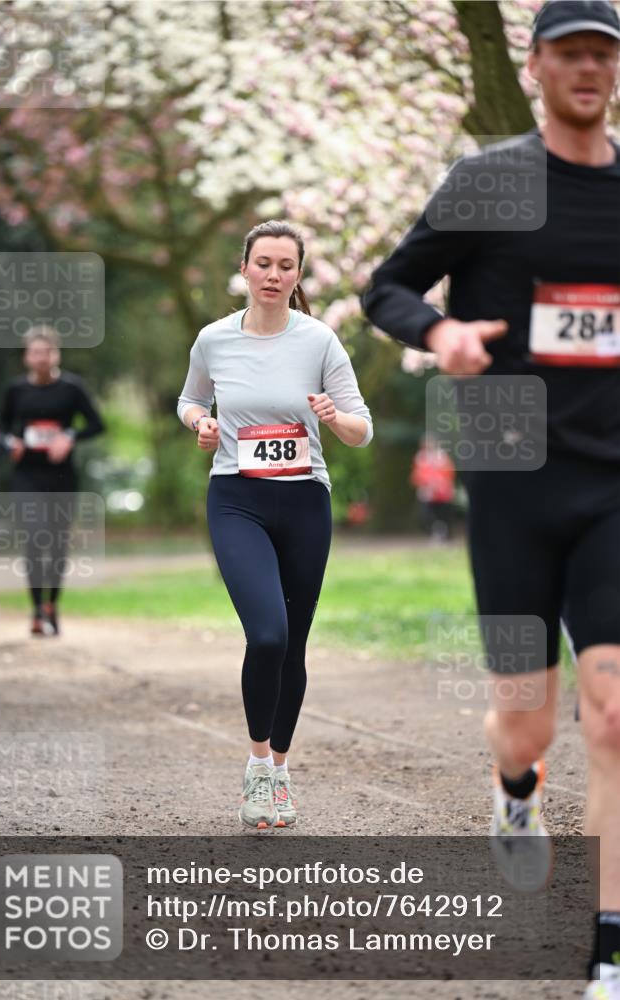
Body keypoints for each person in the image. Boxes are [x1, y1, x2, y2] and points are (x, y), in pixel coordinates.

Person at [363, 2, 619, 994]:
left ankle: (606, 948)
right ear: (538, 63)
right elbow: (388, 287)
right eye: (570, 53)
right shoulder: (491, 181)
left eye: (603, 54)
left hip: (612, 480)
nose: (588, 69)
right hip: (511, 475)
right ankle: (516, 786)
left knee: (613, 712)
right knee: (527, 721)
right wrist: (441, 335)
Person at [178, 219, 373, 830]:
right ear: (244, 269)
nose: (273, 274)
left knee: (294, 644)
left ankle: (280, 773)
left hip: (305, 501)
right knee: (267, 635)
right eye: (263, 263)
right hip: (237, 498)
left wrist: (333, 416)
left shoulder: (319, 341)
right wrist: (201, 424)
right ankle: (257, 763)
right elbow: (190, 399)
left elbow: (361, 429)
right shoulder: (214, 339)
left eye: (285, 265)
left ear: (298, 274)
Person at [0, 326, 104, 636]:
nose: (41, 358)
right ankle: (35, 609)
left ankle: (51, 605)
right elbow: (0, 427)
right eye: (35, 353)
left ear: (56, 355)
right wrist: (10, 442)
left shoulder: (72, 388)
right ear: (26, 357)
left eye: (47, 352)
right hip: (26, 475)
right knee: (33, 537)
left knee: (57, 541)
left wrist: (69, 436)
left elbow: (97, 424)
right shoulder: (16, 390)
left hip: (61, 476)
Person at [410, 434, 456, 542]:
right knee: (426, 514)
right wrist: (426, 482)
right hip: (427, 491)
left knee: (443, 514)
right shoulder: (420, 457)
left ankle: (444, 534)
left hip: (442, 491)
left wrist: (440, 483)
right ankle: (435, 532)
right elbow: (417, 474)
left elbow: (449, 472)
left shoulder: (442, 456)